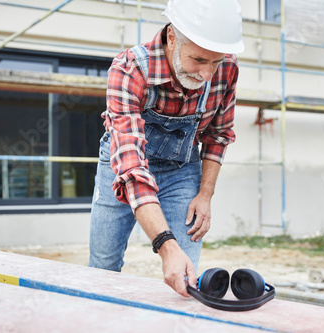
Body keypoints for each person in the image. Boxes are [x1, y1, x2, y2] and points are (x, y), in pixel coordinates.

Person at [89, 0, 244, 297]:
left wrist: (205, 193)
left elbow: (219, 134)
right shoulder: (130, 69)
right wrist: (164, 244)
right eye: (199, 60)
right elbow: (132, 166)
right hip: (122, 166)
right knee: (103, 266)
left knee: (184, 275)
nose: (207, 73)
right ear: (172, 37)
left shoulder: (227, 69)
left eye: (215, 61)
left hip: (182, 169)